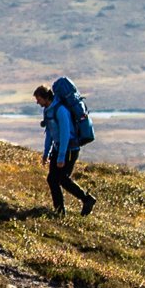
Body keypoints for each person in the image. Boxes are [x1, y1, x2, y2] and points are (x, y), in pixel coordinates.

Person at [36, 84, 96, 217]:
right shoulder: (48, 110)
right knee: (52, 179)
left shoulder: (60, 110)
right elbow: (50, 133)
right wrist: (46, 152)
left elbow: (65, 134)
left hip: (69, 149)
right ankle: (60, 211)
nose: (37, 102)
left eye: (38, 99)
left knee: (62, 179)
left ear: (45, 97)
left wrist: (61, 156)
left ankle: (87, 200)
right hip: (59, 149)